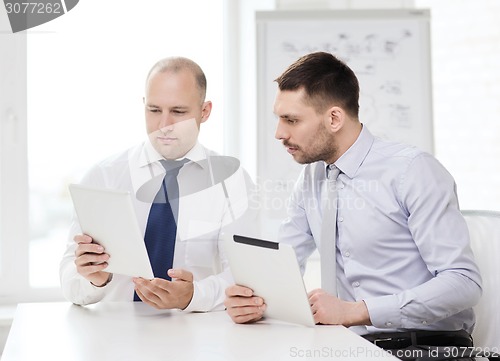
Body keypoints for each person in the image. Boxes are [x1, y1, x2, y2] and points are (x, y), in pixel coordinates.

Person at [224, 52, 482, 355]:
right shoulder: (311, 177)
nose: (279, 133)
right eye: (279, 119)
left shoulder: (412, 171)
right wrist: (251, 300)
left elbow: (464, 283)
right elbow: (282, 261)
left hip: (425, 347)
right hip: (347, 346)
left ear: (334, 118)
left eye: (291, 120)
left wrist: (357, 311)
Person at [60, 56, 254, 312]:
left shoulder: (232, 182)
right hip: (114, 343)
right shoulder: (104, 177)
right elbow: (70, 283)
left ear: (204, 111)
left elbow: (245, 278)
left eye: (178, 112)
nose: (164, 125)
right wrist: (94, 280)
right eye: (154, 110)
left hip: (197, 341)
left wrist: (194, 296)